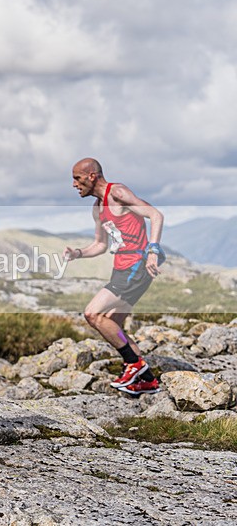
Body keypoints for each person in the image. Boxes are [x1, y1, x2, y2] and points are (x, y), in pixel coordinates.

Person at [65, 157, 164, 396]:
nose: (74, 184)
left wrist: (153, 251)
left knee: (93, 313)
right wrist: (77, 253)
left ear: (92, 176)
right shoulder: (97, 208)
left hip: (137, 265)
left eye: (77, 178)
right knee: (113, 323)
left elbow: (155, 215)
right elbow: (100, 245)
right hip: (121, 268)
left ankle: (135, 365)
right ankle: (147, 381)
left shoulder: (117, 192)